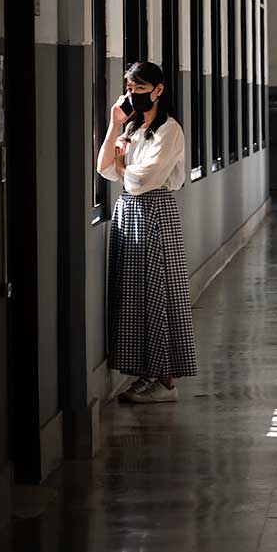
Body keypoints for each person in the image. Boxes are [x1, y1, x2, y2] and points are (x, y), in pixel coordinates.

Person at [97, 61, 197, 403]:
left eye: (141, 88)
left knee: (157, 292)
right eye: (130, 88)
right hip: (129, 212)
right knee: (134, 294)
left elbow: (142, 181)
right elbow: (103, 168)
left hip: (154, 213)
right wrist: (114, 125)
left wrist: (124, 165)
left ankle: (164, 379)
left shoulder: (170, 131)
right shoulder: (134, 128)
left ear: (159, 90)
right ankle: (147, 371)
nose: (134, 95)